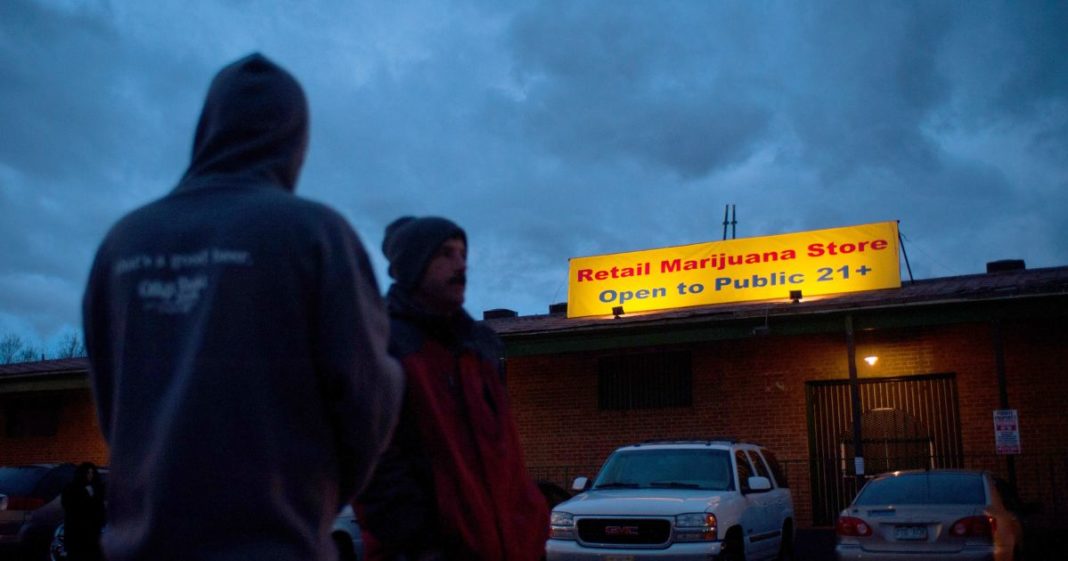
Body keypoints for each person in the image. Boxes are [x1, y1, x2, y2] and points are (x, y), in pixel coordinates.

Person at [82, 53, 403, 561]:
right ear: (294, 140)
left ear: (208, 127)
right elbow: (368, 399)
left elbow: (113, 404)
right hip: (277, 546)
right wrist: (319, 499)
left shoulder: (124, 242)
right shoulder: (315, 235)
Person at [356, 216, 549, 561]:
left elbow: (506, 455)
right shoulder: (382, 344)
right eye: (446, 254)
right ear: (414, 265)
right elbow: (370, 463)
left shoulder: (482, 345)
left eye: (463, 254)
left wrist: (529, 524)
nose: (461, 265)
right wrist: (418, 545)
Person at [61, 462, 106, 561]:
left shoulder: (97, 488)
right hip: (77, 532)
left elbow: (100, 507)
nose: (90, 475)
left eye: (92, 473)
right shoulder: (71, 489)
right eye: (88, 473)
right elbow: (69, 507)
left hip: (92, 532)